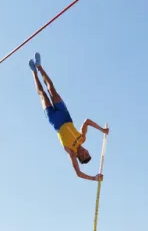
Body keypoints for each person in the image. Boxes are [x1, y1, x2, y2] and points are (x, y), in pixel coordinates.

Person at [29, 52, 109, 181]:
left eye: (84, 155)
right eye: (87, 152)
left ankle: (33, 72)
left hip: (55, 120)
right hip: (65, 115)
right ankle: (39, 66)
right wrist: (102, 130)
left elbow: (78, 173)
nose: (85, 151)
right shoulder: (82, 138)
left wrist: (94, 178)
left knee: (42, 94)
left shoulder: (71, 153)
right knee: (51, 89)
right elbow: (87, 121)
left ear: (79, 157)